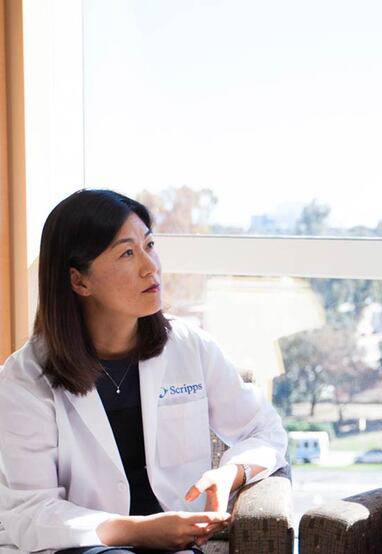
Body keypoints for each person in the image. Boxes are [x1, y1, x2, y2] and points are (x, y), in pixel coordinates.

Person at [0, 190, 288, 554]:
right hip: (76, 545)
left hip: (174, 546)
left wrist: (231, 472)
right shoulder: (25, 379)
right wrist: (138, 531)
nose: (150, 266)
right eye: (126, 253)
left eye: (149, 245)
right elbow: (31, 511)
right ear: (79, 281)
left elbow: (264, 429)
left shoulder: (189, 347)